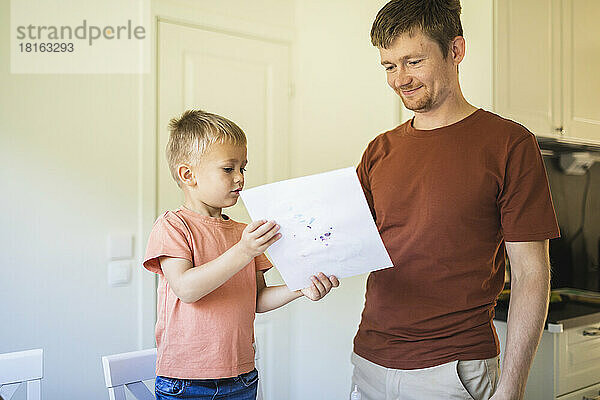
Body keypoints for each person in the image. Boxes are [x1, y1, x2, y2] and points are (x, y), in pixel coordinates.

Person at [350, 1, 559, 399]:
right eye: (389, 66)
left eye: (413, 61)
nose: (400, 79)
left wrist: (512, 386)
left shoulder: (510, 144)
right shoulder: (379, 150)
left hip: (454, 369)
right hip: (370, 361)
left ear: (456, 50)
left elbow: (532, 275)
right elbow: (342, 240)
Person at [143, 110, 339, 400]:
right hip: (187, 380)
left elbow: (257, 299)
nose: (240, 178)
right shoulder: (173, 225)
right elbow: (186, 288)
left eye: (243, 168)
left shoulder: (243, 232)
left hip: (242, 376)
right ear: (188, 175)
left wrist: (300, 287)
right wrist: (244, 250)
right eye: (228, 169)